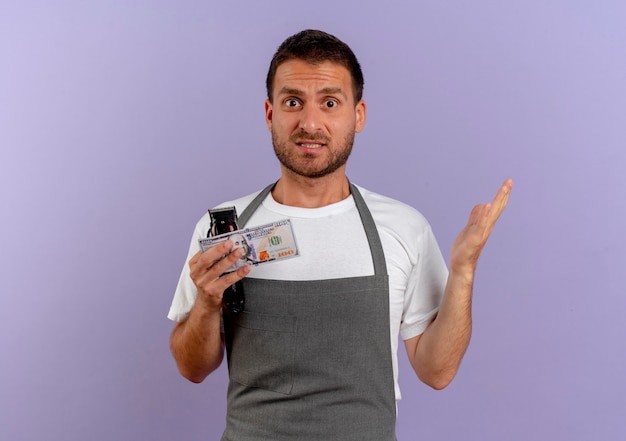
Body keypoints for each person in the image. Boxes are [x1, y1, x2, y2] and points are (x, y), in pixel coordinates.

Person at [168, 29, 512, 441]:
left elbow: (436, 371)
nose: (310, 123)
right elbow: (192, 368)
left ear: (358, 115)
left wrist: (464, 270)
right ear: (269, 113)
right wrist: (206, 303)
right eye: (292, 102)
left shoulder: (403, 227)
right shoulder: (225, 228)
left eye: (330, 103)